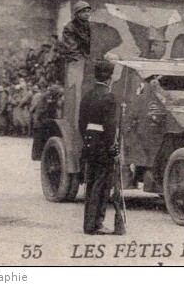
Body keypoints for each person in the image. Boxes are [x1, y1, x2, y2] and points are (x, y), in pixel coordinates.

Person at [78, 60, 123, 235]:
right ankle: (96, 224)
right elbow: (110, 126)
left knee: (91, 185)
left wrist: (89, 139)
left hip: (90, 143)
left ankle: (88, 224)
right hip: (103, 145)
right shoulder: (109, 97)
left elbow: (81, 123)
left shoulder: (87, 95)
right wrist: (112, 147)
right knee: (102, 185)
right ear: (110, 78)